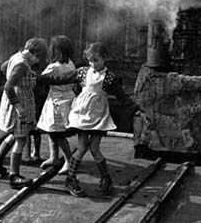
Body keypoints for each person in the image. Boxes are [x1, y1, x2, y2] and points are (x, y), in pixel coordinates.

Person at [64, 42, 150, 197]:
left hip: (98, 116)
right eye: (90, 60)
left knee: (95, 148)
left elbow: (122, 97)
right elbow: (69, 84)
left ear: (104, 59)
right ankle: (70, 179)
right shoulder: (83, 72)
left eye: (96, 60)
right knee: (82, 148)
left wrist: (137, 110)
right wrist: (43, 78)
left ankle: (106, 179)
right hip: (83, 115)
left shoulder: (109, 77)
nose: (93, 63)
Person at [0, 37, 48, 189]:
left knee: (13, 135)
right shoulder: (22, 64)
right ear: (34, 53)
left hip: (16, 100)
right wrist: (18, 106)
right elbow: (8, 86)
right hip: (19, 103)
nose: (37, 61)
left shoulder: (17, 57)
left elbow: (3, 68)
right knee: (21, 139)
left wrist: (27, 75)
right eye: (38, 57)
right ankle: (14, 175)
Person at [35, 35, 78, 175]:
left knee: (57, 133)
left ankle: (69, 159)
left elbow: (40, 78)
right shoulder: (71, 64)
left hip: (56, 101)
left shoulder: (53, 67)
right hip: (68, 99)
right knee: (53, 130)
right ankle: (54, 157)